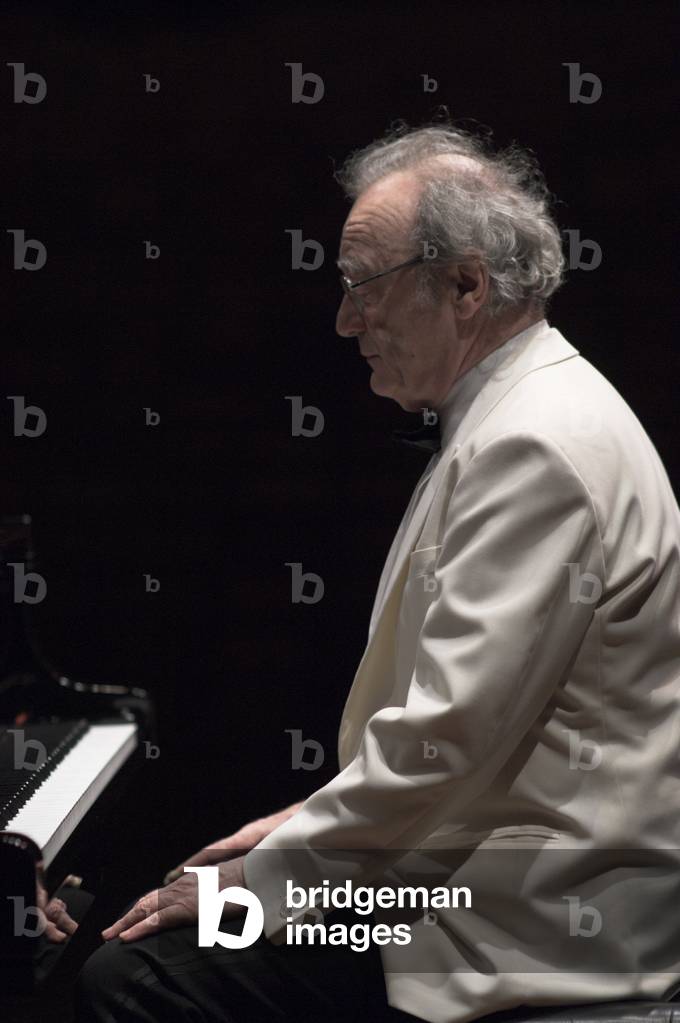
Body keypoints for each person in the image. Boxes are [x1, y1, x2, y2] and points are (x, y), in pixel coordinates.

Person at [74, 122, 680, 1022]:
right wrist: (297, 827)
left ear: (465, 282)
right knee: (174, 913)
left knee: (141, 976)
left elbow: (449, 733)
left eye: (363, 287)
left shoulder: (535, 444)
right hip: (481, 880)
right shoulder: (520, 413)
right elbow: (469, 732)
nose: (346, 319)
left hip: (523, 920)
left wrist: (264, 881)